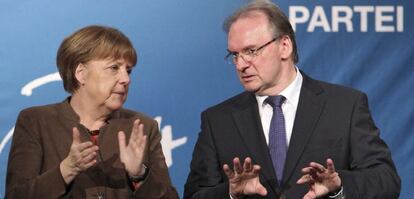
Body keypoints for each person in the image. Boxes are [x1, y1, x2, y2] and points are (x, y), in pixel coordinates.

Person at [184, 0, 401, 199]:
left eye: (251, 51)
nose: (241, 64)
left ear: (285, 46)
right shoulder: (218, 120)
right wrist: (230, 192)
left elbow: (386, 181)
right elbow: (195, 195)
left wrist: (339, 185)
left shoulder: (345, 106)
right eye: (234, 55)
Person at [6, 25, 179, 199]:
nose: (126, 79)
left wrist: (139, 174)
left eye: (128, 70)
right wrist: (66, 171)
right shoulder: (36, 121)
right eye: (114, 68)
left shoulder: (142, 127)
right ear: (81, 73)